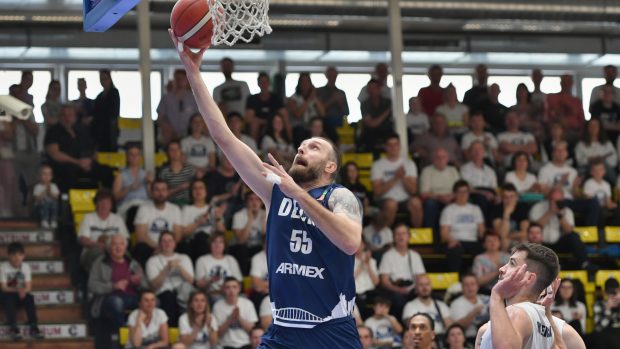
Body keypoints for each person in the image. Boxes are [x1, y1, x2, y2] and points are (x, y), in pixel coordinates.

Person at [172, 32, 364, 348]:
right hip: (283, 331)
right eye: (301, 145)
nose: (303, 148)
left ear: (330, 167)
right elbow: (224, 138)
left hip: (331, 330)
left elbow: (349, 242)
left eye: (313, 147)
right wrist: (193, 72)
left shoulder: (338, 196)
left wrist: (299, 195)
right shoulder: (273, 189)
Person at [474, 243, 561, 349]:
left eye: (512, 263)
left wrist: (496, 296)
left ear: (529, 278)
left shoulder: (516, 312)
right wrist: (547, 312)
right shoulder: (544, 321)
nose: (502, 269)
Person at [88, 234, 148, 344]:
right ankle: (124, 337)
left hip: (132, 297)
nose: (118, 247)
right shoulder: (100, 263)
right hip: (108, 299)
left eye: (121, 244)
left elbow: (145, 284)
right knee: (117, 302)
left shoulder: (133, 263)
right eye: (114, 244)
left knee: (154, 302)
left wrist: (138, 283)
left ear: (125, 247)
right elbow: (92, 285)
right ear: (109, 248)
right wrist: (113, 286)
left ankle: (147, 337)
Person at [44, 104, 113, 192]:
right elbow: (55, 154)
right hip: (64, 165)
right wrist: (77, 162)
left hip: (85, 163)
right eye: (64, 115)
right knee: (69, 171)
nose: (67, 118)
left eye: (70, 115)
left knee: (107, 171)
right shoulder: (53, 131)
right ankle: (68, 203)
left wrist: (89, 161)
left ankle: (105, 201)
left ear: (75, 117)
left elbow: (93, 149)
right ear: (59, 117)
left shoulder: (82, 129)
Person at [528, 186, 589, 269]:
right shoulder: (537, 208)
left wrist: (560, 215)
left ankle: (584, 264)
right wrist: (550, 212)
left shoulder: (567, 211)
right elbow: (533, 229)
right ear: (549, 198)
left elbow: (569, 231)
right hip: (541, 243)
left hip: (559, 244)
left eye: (558, 200)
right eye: (553, 200)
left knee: (574, 236)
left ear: (563, 200)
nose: (556, 202)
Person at [371, 133, 423, 228]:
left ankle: (417, 235)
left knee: (416, 203)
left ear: (399, 146)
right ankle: (386, 235)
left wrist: (402, 177)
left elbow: (413, 190)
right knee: (391, 204)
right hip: (384, 199)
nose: (393, 147)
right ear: (385, 147)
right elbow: (377, 192)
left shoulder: (409, 164)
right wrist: (395, 178)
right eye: (390, 145)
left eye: (395, 144)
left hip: (405, 199)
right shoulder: (377, 165)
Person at [378, 224, 426, 321]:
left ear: (409, 237)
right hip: (395, 290)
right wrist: (397, 289)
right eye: (398, 234)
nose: (401, 237)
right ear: (394, 238)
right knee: (398, 300)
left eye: (403, 234)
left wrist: (414, 288)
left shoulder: (415, 255)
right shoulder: (387, 255)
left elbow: (421, 277)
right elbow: (384, 281)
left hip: (412, 289)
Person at [146, 231, 194, 327]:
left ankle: (186, 326)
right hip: (163, 293)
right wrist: (166, 270)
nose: (167, 244)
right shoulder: (152, 261)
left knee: (186, 291)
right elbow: (153, 286)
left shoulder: (184, 258)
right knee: (169, 296)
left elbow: (191, 281)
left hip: (182, 292)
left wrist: (180, 268)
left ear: (174, 243)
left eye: (170, 241)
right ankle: (171, 330)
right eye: (164, 241)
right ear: (160, 244)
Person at [0, 242, 44, 341]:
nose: (17, 258)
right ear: (8, 256)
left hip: (20, 295)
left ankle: (33, 327)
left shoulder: (26, 267)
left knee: (29, 297)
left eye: (20, 255)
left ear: (24, 256)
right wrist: (18, 290)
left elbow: (28, 287)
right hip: (6, 296)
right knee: (8, 297)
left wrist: (22, 291)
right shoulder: (3, 267)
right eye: (13, 255)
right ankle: (13, 327)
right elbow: (3, 287)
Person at [133, 180, 183, 267]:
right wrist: (158, 247)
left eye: (163, 190)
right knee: (140, 247)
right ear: (152, 192)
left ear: (167, 192)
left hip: (170, 246)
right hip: (150, 246)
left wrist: (166, 247)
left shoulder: (175, 209)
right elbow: (141, 236)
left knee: (184, 246)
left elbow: (178, 235)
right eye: (157, 190)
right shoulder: (144, 208)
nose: (160, 193)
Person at [78, 189, 129, 272]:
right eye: (101, 202)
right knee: (100, 254)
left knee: (127, 256)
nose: (104, 205)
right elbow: (83, 240)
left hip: (115, 249)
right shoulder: (88, 217)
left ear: (111, 205)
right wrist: (99, 245)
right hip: (92, 251)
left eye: (107, 202)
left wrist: (114, 247)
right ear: (95, 204)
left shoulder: (118, 219)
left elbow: (125, 240)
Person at [440, 180, 485, 272]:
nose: (463, 194)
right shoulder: (448, 210)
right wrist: (452, 240)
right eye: (460, 192)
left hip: (472, 240)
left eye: (465, 192)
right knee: (454, 251)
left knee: (484, 250)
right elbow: (444, 232)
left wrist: (485, 239)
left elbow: (481, 230)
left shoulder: (475, 209)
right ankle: (456, 278)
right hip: (456, 241)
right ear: (455, 193)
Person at [180, 179, 226, 262]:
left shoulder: (214, 209)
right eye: (195, 188)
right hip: (193, 243)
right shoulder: (186, 209)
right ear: (191, 192)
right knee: (199, 238)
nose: (198, 191)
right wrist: (197, 223)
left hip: (211, 242)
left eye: (201, 188)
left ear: (206, 191)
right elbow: (183, 233)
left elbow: (222, 232)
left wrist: (218, 218)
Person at [419, 147, 461, 236]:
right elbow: (424, 194)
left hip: (451, 198)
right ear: (433, 159)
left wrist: (452, 196)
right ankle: (431, 235)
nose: (441, 160)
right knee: (430, 204)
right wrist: (439, 197)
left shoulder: (453, 170)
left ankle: (457, 234)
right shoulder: (427, 171)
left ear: (447, 159)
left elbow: (459, 189)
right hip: (434, 199)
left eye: (443, 157)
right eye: (438, 157)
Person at [195, 232, 242, 302]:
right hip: (213, 294)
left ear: (224, 245)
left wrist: (227, 288)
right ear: (210, 244)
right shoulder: (202, 260)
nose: (217, 245)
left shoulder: (231, 259)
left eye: (220, 242)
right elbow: (200, 286)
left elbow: (239, 282)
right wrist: (210, 281)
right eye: (214, 242)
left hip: (230, 292)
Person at [402, 274, 453, 339]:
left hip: (441, 339)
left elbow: (450, 328)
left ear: (431, 287)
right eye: (421, 285)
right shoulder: (410, 306)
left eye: (427, 284)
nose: (425, 288)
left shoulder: (441, 305)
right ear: (416, 288)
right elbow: (412, 327)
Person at [213, 277, 259, 349]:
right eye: (228, 287)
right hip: (226, 345)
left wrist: (239, 318)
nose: (231, 291)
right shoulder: (217, 306)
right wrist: (230, 319)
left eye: (234, 287)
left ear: (239, 289)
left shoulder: (247, 304)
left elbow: (252, 330)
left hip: (246, 344)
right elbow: (218, 334)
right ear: (224, 289)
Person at [158, 69, 199, 145]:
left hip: (189, 134)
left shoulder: (194, 98)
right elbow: (160, 117)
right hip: (170, 135)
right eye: (177, 78)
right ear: (174, 80)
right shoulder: (166, 98)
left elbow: (198, 117)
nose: (180, 81)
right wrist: (166, 127)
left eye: (182, 78)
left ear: (187, 80)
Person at [230, 190, 266, 275]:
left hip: (258, 247)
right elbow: (241, 240)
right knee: (242, 250)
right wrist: (250, 220)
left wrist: (263, 224)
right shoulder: (238, 215)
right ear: (246, 202)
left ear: (261, 202)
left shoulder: (266, 214)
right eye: (251, 199)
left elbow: (267, 241)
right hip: (241, 248)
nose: (254, 202)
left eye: (257, 199)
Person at [112, 143, 153, 219]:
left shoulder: (147, 174)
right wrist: (129, 188)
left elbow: (152, 196)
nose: (134, 157)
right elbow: (115, 197)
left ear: (140, 157)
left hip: (145, 206)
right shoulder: (120, 176)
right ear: (127, 157)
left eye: (137, 154)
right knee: (137, 211)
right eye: (131, 154)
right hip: (127, 208)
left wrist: (150, 183)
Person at [245, 72, 288, 142]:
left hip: (275, 124)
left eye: (265, 82)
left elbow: (284, 116)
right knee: (254, 124)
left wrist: (273, 122)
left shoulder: (276, 98)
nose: (264, 84)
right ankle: (254, 148)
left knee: (286, 123)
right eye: (261, 82)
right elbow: (248, 118)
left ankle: (290, 144)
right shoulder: (252, 99)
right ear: (258, 84)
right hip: (259, 126)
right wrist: (267, 122)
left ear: (269, 83)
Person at [450, 273, 489, 341]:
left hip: (488, 336)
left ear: (477, 286)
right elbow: (458, 327)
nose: (470, 288)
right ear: (462, 287)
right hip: (468, 339)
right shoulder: (456, 303)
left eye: (472, 284)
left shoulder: (487, 299)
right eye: (466, 285)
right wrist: (473, 313)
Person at [546, 74, 585, 141]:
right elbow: (549, 115)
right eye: (564, 82)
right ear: (561, 83)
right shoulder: (552, 97)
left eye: (568, 82)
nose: (566, 85)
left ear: (572, 84)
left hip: (574, 132)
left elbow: (582, 120)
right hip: (556, 131)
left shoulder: (577, 101)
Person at [358, 78, 393, 152]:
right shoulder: (364, 104)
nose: (372, 91)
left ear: (379, 89)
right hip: (370, 133)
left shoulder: (388, 102)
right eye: (370, 88)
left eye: (374, 88)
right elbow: (371, 124)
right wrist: (387, 111)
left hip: (386, 131)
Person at [159, 140, 197, 206]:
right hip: (171, 204)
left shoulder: (190, 169)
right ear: (168, 153)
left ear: (181, 151)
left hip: (189, 204)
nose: (175, 152)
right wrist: (180, 187)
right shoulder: (164, 172)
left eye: (177, 149)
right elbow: (163, 193)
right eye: (172, 150)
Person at [92, 69, 120, 151]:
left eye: (105, 78)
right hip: (99, 131)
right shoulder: (99, 96)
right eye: (101, 79)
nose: (103, 81)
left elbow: (114, 112)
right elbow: (95, 111)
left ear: (110, 79)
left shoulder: (114, 93)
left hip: (110, 130)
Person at [354, 239, 380, 320]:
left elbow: (376, 282)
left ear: (364, 245)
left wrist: (368, 265)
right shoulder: (347, 260)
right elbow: (348, 281)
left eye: (360, 243)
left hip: (371, 293)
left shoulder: (372, 261)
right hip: (356, 293)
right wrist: (361, 265)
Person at [593, 277, 620, 347]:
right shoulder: (599, 304)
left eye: (614, 292)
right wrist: (608, 309)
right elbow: (598, 328)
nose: (612, 295)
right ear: (605, 292)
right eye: (609, 292)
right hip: (605, 336)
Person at [32, 164, 60, 228]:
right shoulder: (38, 186)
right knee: (45, 202)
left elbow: (56, 197)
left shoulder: (53, 186)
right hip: (40, 206)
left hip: (51, 206)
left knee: (55, 204)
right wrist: (44, 192)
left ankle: (53, 221)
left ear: (51, 176)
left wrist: (50, 192)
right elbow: (36, 199)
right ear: (39, 176)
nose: (47, 176)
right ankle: (44, 220)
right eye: (44, 174)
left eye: (49, 174)